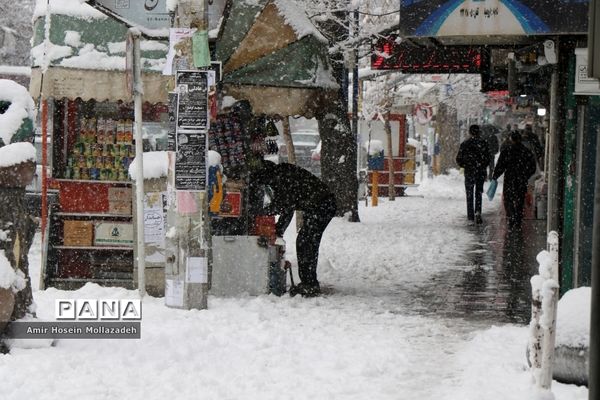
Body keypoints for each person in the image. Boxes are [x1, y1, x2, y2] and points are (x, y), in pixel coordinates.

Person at [249, 158, 336, 297]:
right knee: (307, 242)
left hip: (322, 206)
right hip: (319, 205)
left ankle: (310, 284)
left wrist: (265, 216)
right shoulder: (281, 173)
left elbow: (285, 206)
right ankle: (309, 282)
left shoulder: (282, 178)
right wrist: (278, 228)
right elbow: (285, 205)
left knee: (306, 242)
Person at [492, 131, 537, 229]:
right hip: (521, 179)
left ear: (511, 139)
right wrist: (526, 175)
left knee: (508, 199)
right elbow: (533, 167)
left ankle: (511, 218)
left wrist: (495, 175)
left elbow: (501, 165)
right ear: (520, 139)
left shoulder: (507, 151)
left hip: (509, 178)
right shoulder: (526, 151)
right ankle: (518, 220)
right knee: (520, 199)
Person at [456, 124, 491, 224]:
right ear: (479, 132)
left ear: (470, 132)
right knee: (478, 193)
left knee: (469, 194)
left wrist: (465, 165)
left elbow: (459, 158)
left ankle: (470, 215)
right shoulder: (484, 143)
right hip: (480, 171)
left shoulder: (465, 144)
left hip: (470, 172)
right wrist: (482, 166)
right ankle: (478, 212)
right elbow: (488, 158)